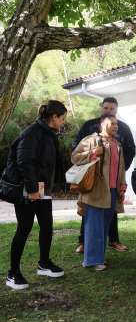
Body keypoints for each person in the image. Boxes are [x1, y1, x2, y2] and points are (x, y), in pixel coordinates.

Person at [4, 101, 67, 290]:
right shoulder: (31, 133)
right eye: (62, 118)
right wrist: (32, 189)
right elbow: (24, 161)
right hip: (28, 189)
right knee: (24, 228)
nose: (63, 122)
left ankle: (44, 263)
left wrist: (62, 181)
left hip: (42, 189)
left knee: (47, 226)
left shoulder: (50, 134)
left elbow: (53, 162)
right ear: (53, 117)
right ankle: (12, 273)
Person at [73, 97, 135, 254]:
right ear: (101, 107)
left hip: (113, 179)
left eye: (112, 109)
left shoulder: (123, 128)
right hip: (93, 178)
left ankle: (113, 240)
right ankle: (83, 241)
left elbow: (130, 149)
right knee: (90, 210)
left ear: (116, 110)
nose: (108, 111)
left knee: (112, 210)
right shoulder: (89, 126)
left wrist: (121, 170)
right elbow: (76, 148)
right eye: (106, 108)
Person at [72, 115, 127, 271]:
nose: (116, 126)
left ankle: (98, 257)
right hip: (95, 189)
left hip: (113, 190)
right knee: (94, 225)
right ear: (102, 124)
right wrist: (93, 153)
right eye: (112, 123)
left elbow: (121, 167)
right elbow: (75, 157)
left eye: (117, 124)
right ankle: (92, 261)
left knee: (104, 225)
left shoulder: (117, 144)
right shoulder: (91, 139)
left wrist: (122, 186)